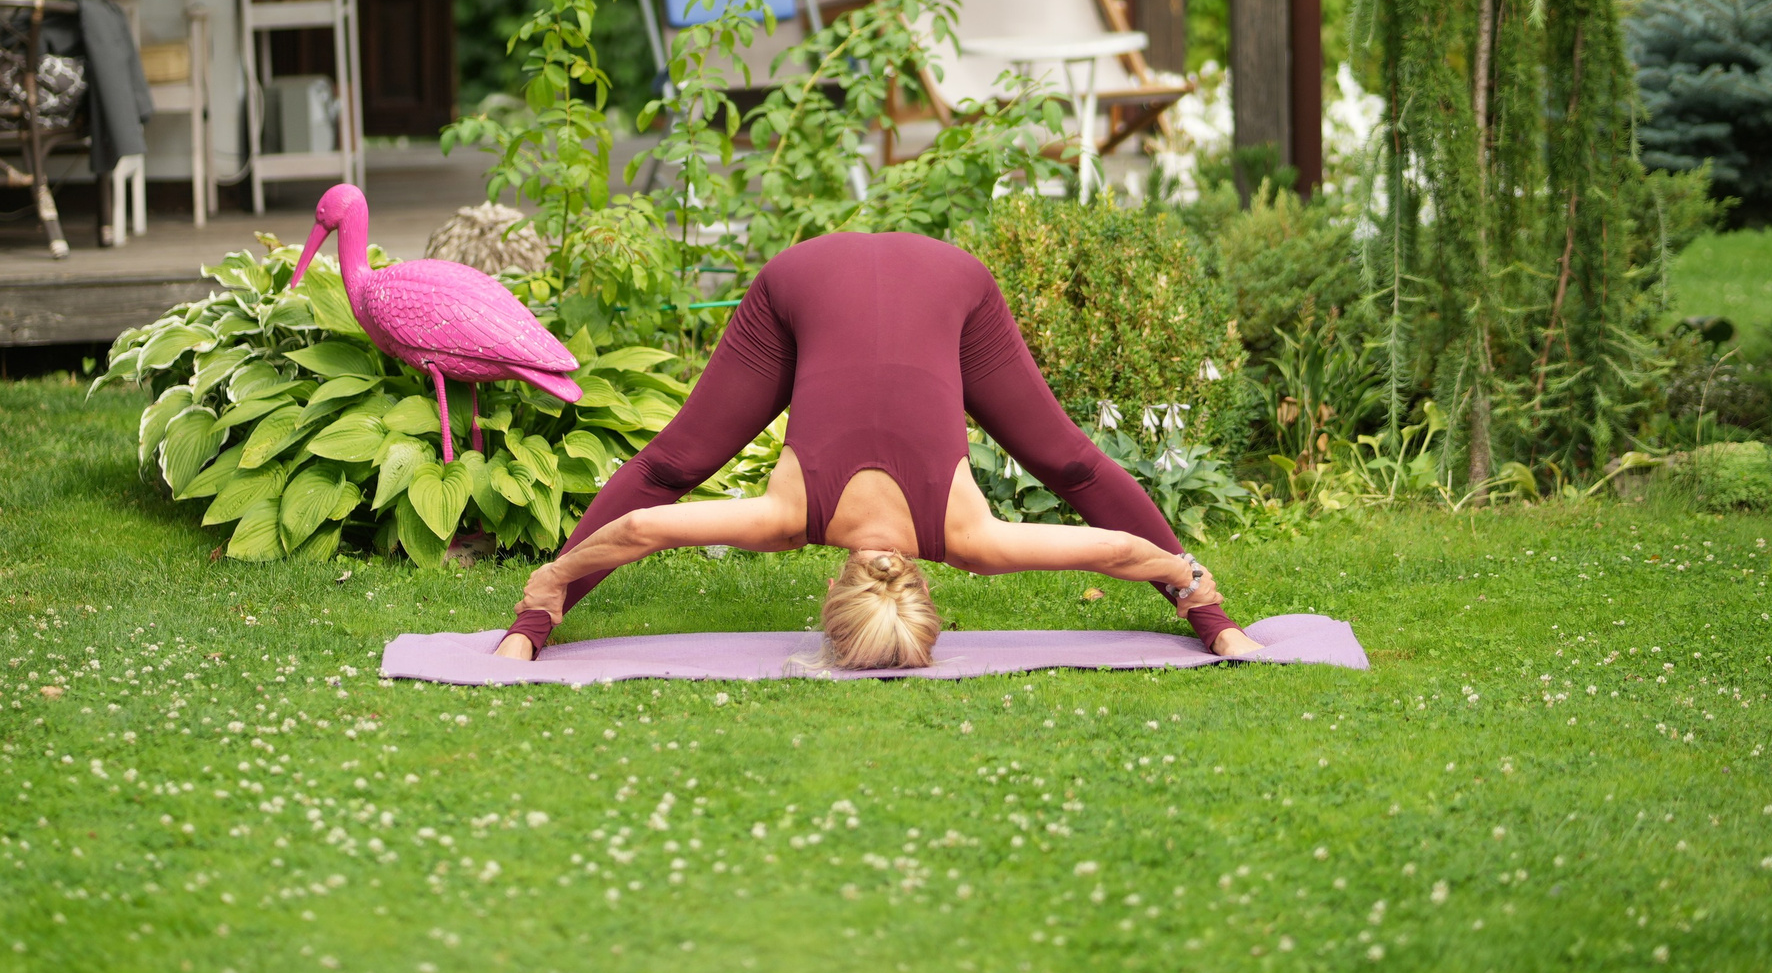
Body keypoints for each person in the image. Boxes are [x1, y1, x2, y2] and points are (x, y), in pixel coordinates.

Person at [497, 231, 1258, 667]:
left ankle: (1215, 624)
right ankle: (531, 633)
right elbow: (641, 531)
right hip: (891, 281)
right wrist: (547, 589)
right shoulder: (788, 517)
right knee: (672, 466)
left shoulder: (970, 540)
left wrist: (1193, 584)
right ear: (832, 596)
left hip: (874, 280)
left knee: (1071, 462)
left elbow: (1115, 551)